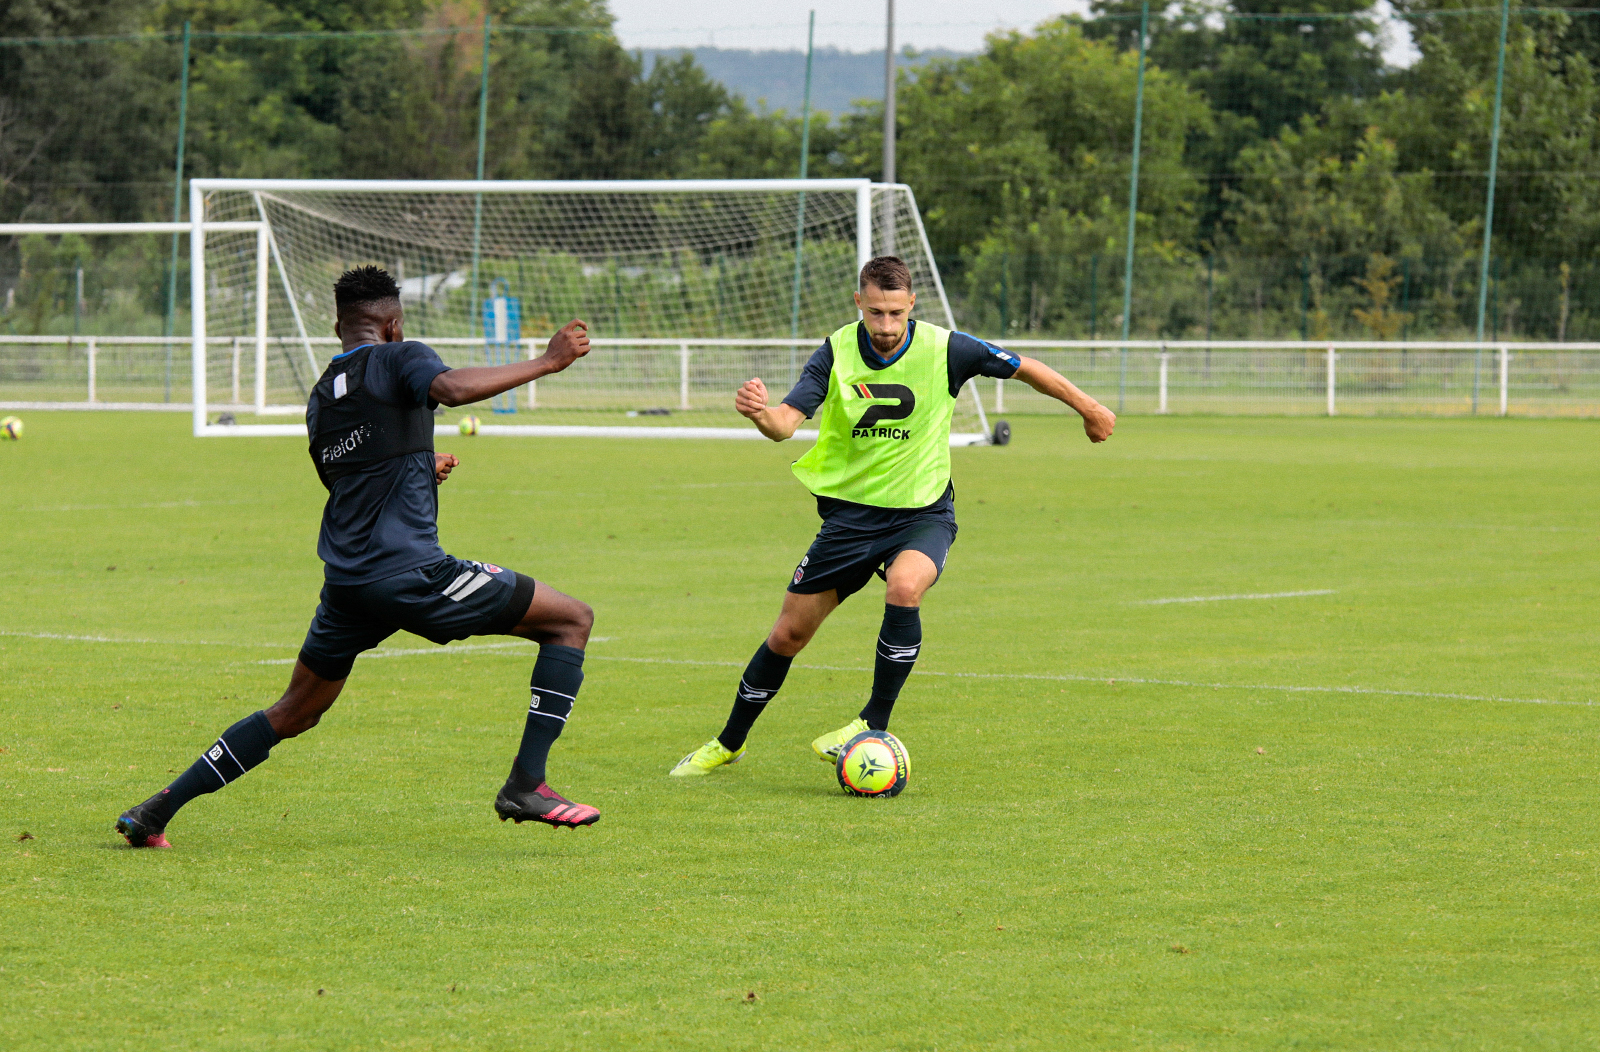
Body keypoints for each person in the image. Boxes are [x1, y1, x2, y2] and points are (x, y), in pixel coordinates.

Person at [117, 266, 601, 847]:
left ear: (338, 325)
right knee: (571, 619)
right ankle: (527, 785)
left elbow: (350, 482)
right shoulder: (401, 358)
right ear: (393, 326)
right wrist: (548, 361)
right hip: (412, 573)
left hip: (349, 584)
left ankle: (155, 811)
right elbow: (449, 389)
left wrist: (423, 465)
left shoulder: (322, 400)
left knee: (295, 710)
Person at [669, 255, 1116, 778]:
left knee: (905, 587)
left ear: (911, 306)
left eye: (895, 314)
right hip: (850, 522)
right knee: (788, 635)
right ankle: (728, 743)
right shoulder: (835, 351)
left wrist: (1089, 407)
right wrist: (761, 413)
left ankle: (870, 723)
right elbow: (786, 424)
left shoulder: (946, 348)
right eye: (876, 313)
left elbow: (1025, 367)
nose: (885, 326)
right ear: (859, 302)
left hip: (923, 513)